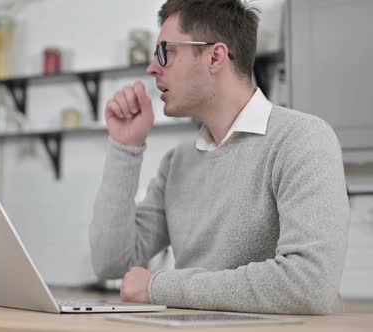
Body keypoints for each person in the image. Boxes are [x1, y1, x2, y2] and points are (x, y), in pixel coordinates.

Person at [90, 0, 349, 315]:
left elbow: (310, 285)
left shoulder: (301, 139)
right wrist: (125, 148)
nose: (152, 67)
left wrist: (159, 286)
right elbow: (111, 261)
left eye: (165, 52)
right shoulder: (177, 163)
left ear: (215, 56)